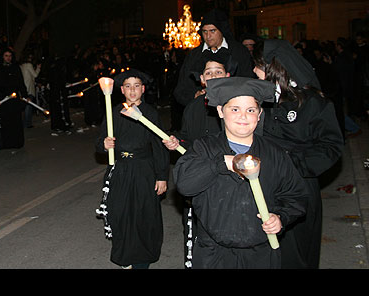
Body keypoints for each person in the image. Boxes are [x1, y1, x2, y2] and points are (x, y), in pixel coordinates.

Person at [173, 77, 308, 269]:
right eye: (235, 109)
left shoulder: (274, 153)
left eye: (251, 110)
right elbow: (185, 185)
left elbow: (296, 196)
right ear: (220, 111)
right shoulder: (204, 148)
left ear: (259, 114)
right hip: (214, 253)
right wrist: (220, 164)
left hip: (260, 253)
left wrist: (281, 217)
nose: (243, 117)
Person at [251, 39, 344, 269]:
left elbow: (330, 146)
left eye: (259, 66)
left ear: (274, 69)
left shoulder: (311, 102)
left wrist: (292, 163)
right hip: (262, 186)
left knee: (295, 256)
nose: (254, 71)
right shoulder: (259, 99)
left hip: (297, 188)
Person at [95, 68, 170, 269]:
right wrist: (104, 145)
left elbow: (159, 146)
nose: (132, 90)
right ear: (122, 90)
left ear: (143, 89)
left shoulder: (151, 113)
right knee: (118, 212)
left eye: (136, 86)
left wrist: (162, 176)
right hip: (120, 169)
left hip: (144, 170)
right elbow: (99, 142)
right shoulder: (113, 112)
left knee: (143, 215)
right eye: (128, 86)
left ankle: (142, 260)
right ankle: (124, 255)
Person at [164, 50, 232, 268]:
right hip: (199, 180)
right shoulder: (193, 106)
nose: (212, 76)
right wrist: (177, 142)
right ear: (202, 79)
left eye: (217, 72)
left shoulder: (237, 105)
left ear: (227, 75)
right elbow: (187, 138)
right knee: (196, 237)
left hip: (228, 183)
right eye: (208, 73)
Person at [173, 9, 254, 108]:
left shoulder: (239, 52)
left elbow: (248, 82)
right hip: (201, 111)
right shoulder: (194, 55)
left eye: (212, 31)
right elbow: (181, 89)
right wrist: (195, 96)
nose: (208, 36)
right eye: (204, 31)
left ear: (221, 30)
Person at [0, 49, 27, 149]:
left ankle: (18, 142)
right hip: (4, 99)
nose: (8, 58)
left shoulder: (16, 68)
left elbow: (21, 82)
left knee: (16, 120)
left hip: (14, 98)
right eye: (6, 56)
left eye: (10, 56)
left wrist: (24, 95)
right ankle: (7, 143)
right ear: (2, 57)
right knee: (6, 121)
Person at [19, 53, 41, 129]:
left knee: (26, 106)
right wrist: (38, 68)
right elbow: (35, 75)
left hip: (24, 88)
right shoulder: (28, 65)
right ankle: (27, 123)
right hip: (29, 88)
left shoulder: (21, 65)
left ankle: (26, 123)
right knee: (28, 106)